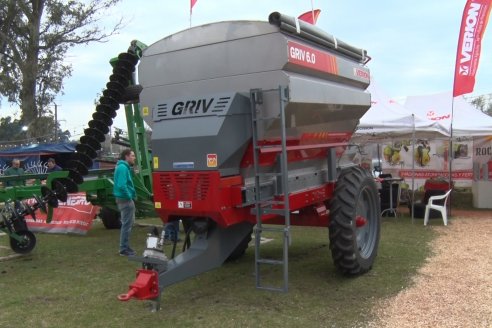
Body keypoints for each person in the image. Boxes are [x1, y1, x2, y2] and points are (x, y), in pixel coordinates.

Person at [113, 149, 137, 256]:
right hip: (125, 200)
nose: (134, 157)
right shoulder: (123, 168)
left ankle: (126, 247)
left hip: (123, 199)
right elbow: (122, 185)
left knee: (127, 224)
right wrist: (129, 196)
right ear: (126, 157)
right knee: (127, 225)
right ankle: (123, 249)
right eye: (132, 155)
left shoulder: (122, 167)